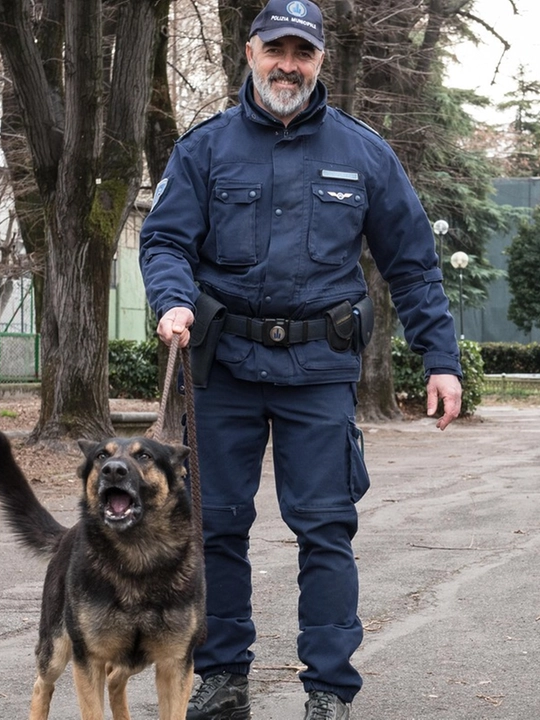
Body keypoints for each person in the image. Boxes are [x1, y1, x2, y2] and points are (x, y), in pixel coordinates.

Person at [138, 0, 464, 718]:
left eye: (303, 52)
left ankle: (328, 690)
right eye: (276, 49)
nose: (289, 64)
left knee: (324, 528)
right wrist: (171, 300)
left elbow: (412, 264)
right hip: (221, 366)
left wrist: (441, 362)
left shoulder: (364, 153)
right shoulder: (204, 148)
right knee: (214, 526)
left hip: (319, 369)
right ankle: (222, 680)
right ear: (250, 51)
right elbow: (164, 240)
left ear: (321, 61)